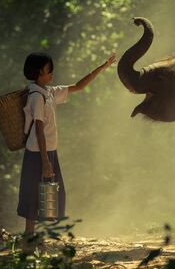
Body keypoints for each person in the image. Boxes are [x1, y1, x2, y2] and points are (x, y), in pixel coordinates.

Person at [17, 52, 116, 237]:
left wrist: (103, 67)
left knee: (49, 192)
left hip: (49, 151)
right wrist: (45, 162)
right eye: (48, 70)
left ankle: (40, 238)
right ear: (38, 72)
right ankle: (29, 237)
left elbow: (78, 86)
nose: (51, 74)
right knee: (33, 194)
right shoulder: (37, 96)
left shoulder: (49, 92)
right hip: (38, 153)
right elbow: (39, 130)